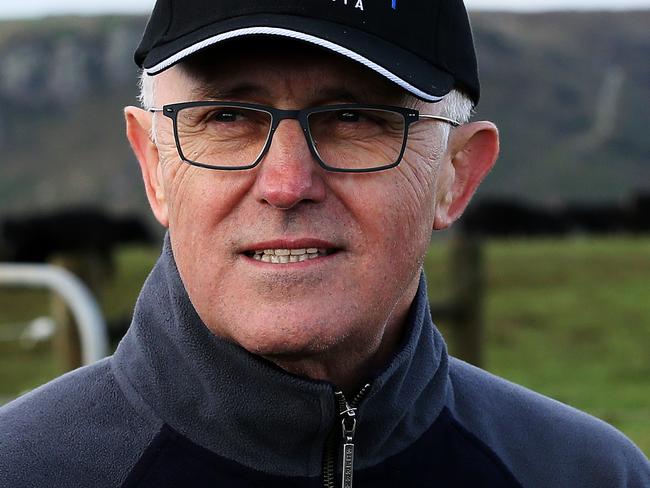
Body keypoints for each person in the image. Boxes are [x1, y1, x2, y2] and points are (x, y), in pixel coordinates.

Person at [1, 1, 648, 487]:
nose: (286, 184)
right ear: (154, 167)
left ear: (457, 175)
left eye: (354, 119)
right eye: (227, 117)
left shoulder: (585, 473)